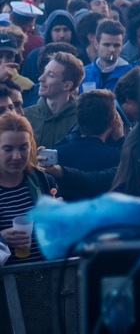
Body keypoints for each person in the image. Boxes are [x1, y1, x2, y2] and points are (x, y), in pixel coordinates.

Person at [0, 113, 57, 263]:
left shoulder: (43, 181)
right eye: (8, 149)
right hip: (7, 276)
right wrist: (2, 238)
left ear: (31, 146)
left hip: (46, 272)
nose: (17, 156)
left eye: (23, 147)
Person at [23, 52, 83, 148]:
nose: (40, 78)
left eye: (51, 75)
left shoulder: (81, 120)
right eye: (44, 72)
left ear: (67, 85)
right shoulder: (26, 115)